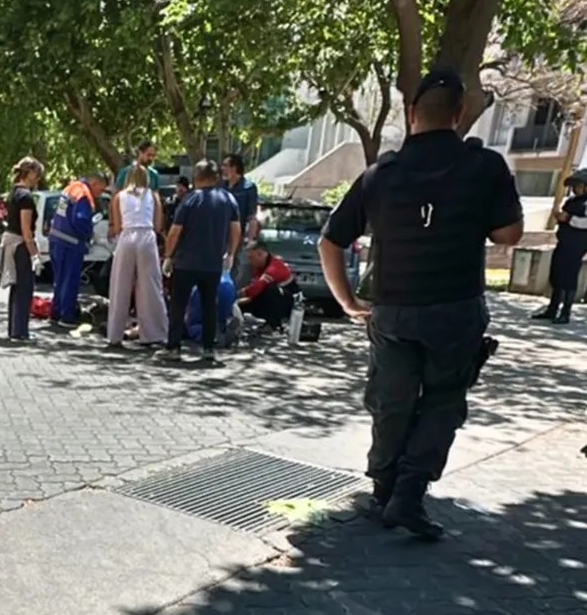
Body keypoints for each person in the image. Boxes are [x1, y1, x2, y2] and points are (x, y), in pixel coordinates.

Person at [318, 67, 524, 541]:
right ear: (459, 113)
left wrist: (347, 301)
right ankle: (409, 493)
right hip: (455, 308)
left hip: (393, 309)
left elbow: (331, 241)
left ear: (411, 114)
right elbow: (509, 234)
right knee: (443, 400)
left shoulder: (381, 174)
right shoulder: (484, 166)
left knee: (390, 399)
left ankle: (383, 487)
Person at [159, 159, 241, 362]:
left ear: (196, 177)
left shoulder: (190, 200)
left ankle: (174, 347)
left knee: (178, 305)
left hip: (186, 262)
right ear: (216, 177)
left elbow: (175, 232)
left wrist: (168, 256)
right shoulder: (228, 199)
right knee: (209, 306)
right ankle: (208, 348)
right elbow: (235, 229)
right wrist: (231, 253)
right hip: (213, 263)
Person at [105, 164, 167, 347]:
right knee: (150, 287)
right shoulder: (153, 196)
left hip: (127, 236)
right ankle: (154, 334)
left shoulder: (119, 197)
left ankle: (114, 334)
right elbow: (158, 225)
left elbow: (117, 226)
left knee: (120, 286)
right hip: (146, 235)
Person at [49, 172, 108, 328]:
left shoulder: (70, 188)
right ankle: (67, 316)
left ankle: (55, 313)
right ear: (94, 183)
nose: (100, 193)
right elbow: (81, 219)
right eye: (101, 189)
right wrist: (88, 233)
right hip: (71, 243)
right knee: (70, 281)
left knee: (59, 280)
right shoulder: (83, 195)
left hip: (56, 239)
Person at [0, 157, 44, 341]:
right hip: (20, 245)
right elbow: (26, 229)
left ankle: (14, 328)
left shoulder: (13, 193)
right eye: (37, 175)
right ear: (30, 173)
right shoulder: (26, 197)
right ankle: (20, 330)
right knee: (24, 287)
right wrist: (34, 255)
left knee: (16, 288)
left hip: (11, 242)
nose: (38, 179)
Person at [532, 169, 587, 324]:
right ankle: (552, 309)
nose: (575, 189)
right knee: (556, 274)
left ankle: (565, 312)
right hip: (564, 242)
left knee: (569, 278)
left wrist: (568, 218)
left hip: (577, 245)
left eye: (578, 185)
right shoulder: (572, 201)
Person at [238, 240, 296, 329]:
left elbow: (256, 289)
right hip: (278, 299)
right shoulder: (260, 267)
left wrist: (237, 295)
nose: (250, 261)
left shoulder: (274, 267)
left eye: (251, 258)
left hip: (288, 302)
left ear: (260, 254)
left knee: (269, 289)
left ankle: (273, 325)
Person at [221, 153, 259, 285]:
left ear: (234, 168)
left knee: (235, 269)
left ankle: (232, 292)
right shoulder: (222, 186)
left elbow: (252, 216)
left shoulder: (248, 187)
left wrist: (250, 238)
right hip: (220, 235)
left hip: (238, 236)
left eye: (225, 165)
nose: (222, 169)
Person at [185, 271, 240, 347]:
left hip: (200, 288)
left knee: (193, 324)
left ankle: (211, 334)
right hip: (228, 286)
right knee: (221, 319)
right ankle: (223, 328)